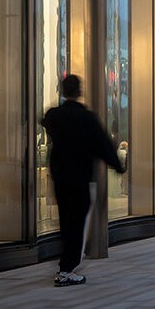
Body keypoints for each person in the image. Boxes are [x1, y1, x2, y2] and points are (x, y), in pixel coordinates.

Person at [41, 73, 125, 287]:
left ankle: (65, 265)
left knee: (66, 219)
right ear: (79, 91)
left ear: (63, 91)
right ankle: (67, 269)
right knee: (77, 221)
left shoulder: (54, 116)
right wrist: (117, 165)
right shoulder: (87, 118)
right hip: (80, 177)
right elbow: (103, 144)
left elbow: (45, 122)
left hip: (60, 176)